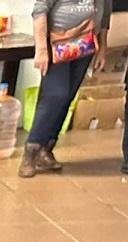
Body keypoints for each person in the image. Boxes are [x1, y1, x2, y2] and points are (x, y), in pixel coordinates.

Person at [20, 0, 112, 177]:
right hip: (57, 42)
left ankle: (46, 150)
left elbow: (105, 14)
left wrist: (103, 48)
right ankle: (31, 150)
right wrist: (41, 50)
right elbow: (40, 10)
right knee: (55, 95)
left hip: (86, 42)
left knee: (67, 96)